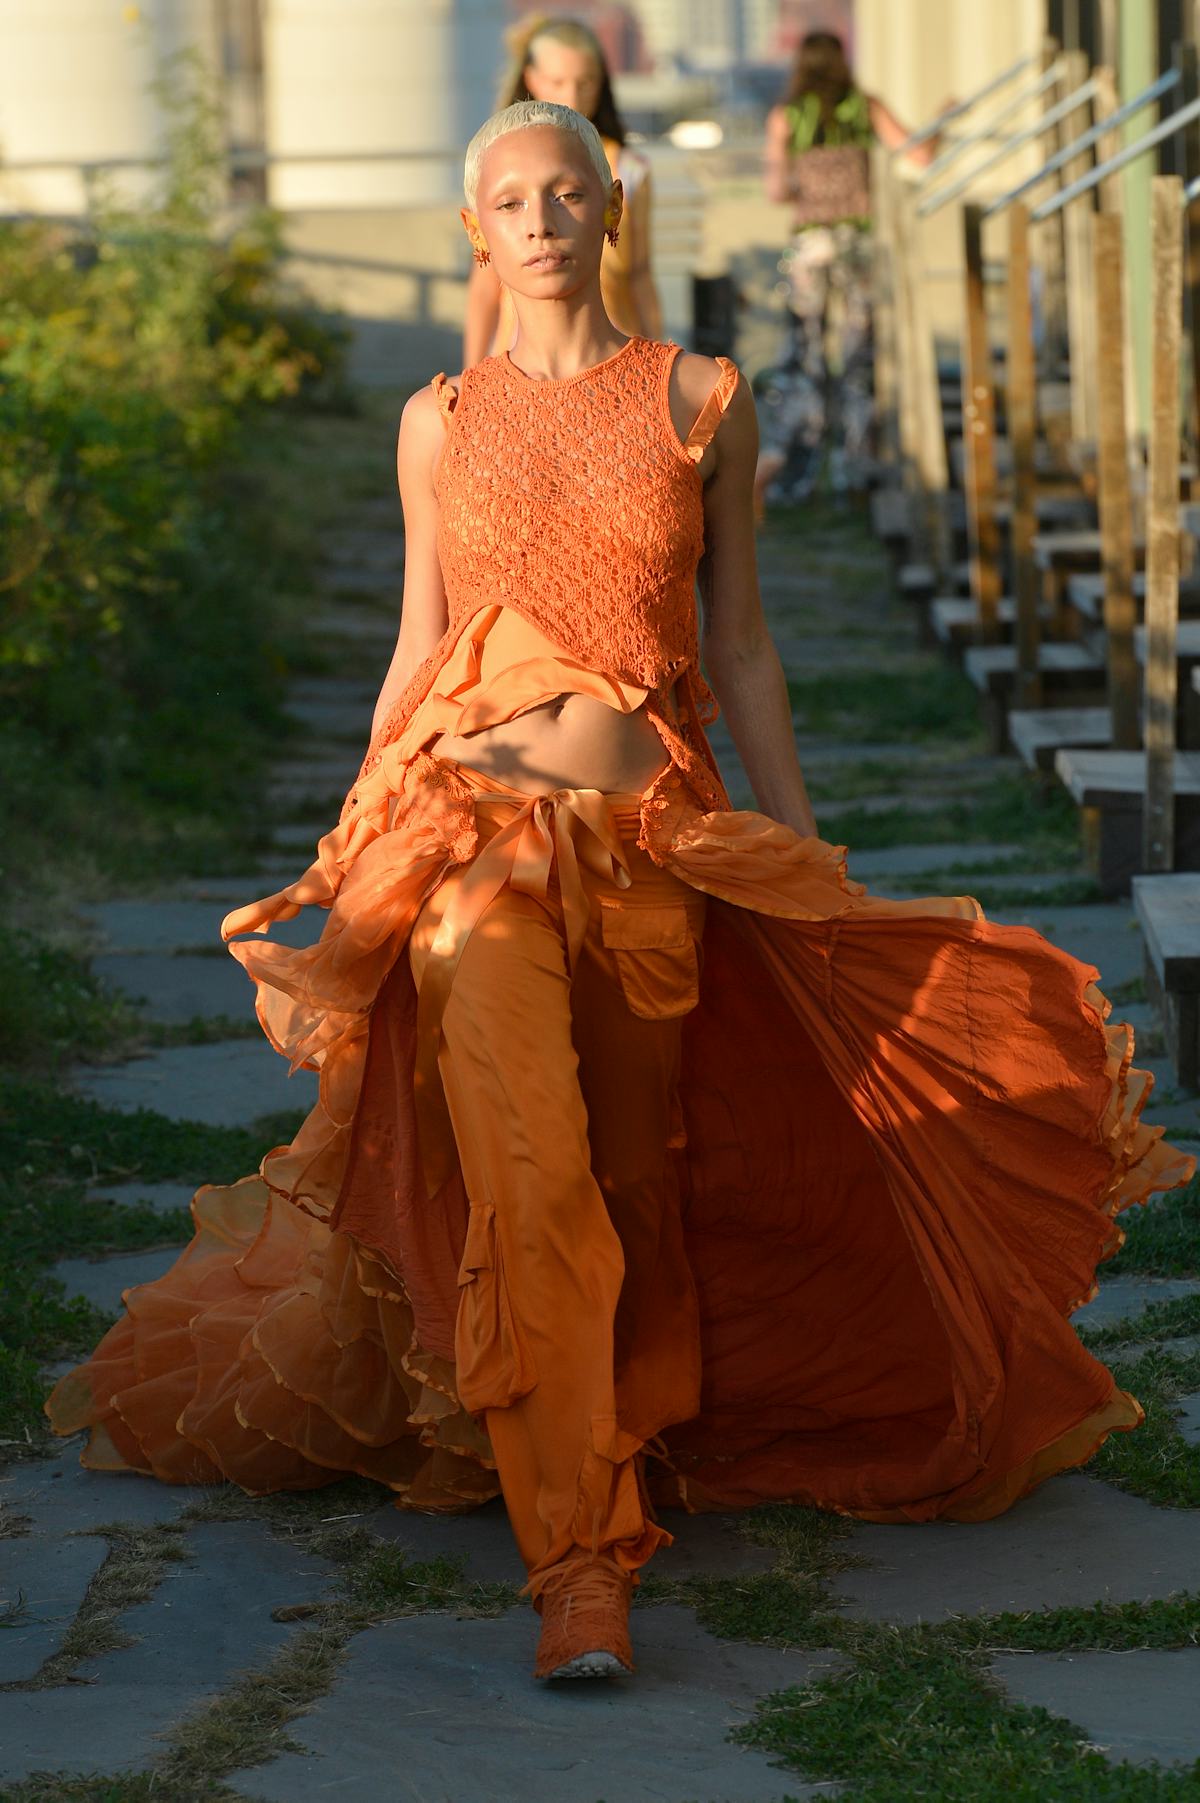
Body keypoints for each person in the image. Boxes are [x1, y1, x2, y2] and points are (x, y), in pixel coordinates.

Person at [48, 101, 1191, 1687]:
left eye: (565, 190)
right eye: (508, 196)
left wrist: (809, 866)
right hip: (472, 843)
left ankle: (626, 1436)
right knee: (530, 1179)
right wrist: (350, 847)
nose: (537, 218)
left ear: (609, 215)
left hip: (654, 840)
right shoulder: (437, 420)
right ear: (475, 228)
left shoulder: (702, 400)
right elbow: (414, 644)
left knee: (638, 1183)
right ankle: (577, 1564)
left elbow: (738, 647)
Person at [757, 29, 938, 508]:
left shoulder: (786, 116)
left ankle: (799, 474)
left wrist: (807, 186)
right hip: (857, 244)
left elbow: (776, 191)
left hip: (809, 244)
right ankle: (855, 473)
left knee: (804, 359)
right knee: (859, 359)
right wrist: (941, 121)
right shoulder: (866, 107)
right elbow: (920, 154)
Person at [462, 14, 660, 366]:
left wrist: (659, 361)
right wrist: (472, 373)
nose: (571, 95)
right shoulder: (494, 167)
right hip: (519, 353)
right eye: (558, 81)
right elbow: (484, 286)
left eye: (570, 195)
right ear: (531, 79)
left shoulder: (630, 169)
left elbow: (640, 271)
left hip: (614, 350)